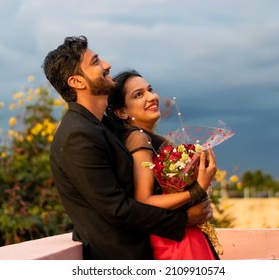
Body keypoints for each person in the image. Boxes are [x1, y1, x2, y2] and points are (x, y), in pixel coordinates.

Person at [42, 35, 214, 260]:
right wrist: (186, 215)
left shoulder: (101, 126)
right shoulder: (78, 135)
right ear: (76, 82)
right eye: (95, 62)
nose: (107, 65)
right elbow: (117, 209)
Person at [106, 69, 220, 259]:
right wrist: (197, 189)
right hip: (174, 242)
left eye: (150, 89)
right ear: (121, 112)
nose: (152, 97)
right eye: (139, 95)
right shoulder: (138, 139)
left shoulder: (152, 139)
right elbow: (144, 200)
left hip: (181, 236)